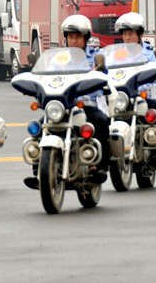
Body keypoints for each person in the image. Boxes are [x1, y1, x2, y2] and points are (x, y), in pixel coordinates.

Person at [23, 14, 110, 189]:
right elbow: (50, 78)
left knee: (100, 122)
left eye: (77, 37)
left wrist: (99, 73)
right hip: (63, 106)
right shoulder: (59, 58)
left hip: (86, 105)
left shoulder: (95, 56)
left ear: (85, 38)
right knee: (39, 128)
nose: (74, 41)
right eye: (71, 37)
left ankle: (99, 167)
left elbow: (103, 76)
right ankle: (39, 169)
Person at [115, 12, 156, 169]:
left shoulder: (150, 53)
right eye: (124, 34)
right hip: (122, 98)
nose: (127, 38)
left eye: (131, 33)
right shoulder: (116, 54)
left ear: (140, 34)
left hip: (142, 96)